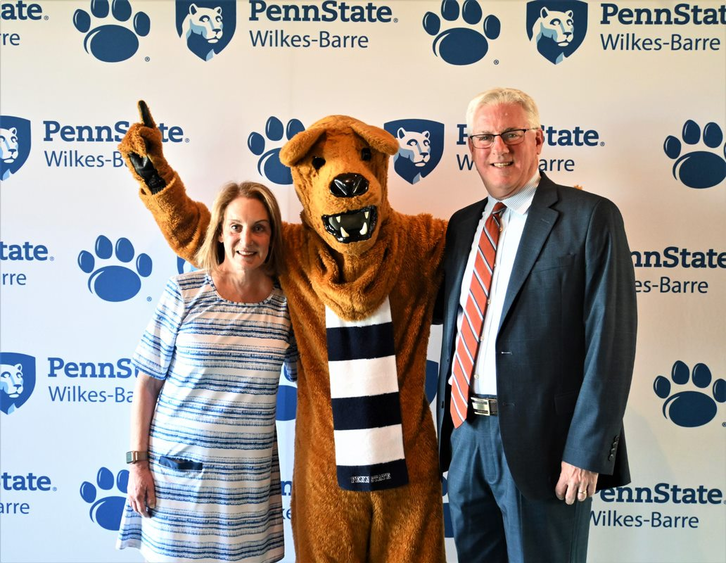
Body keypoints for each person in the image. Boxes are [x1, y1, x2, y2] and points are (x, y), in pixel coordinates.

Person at [436, 87, 637, 563]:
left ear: (539, 139)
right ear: (471, 147)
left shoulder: (590, 218)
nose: (498, 148)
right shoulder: (463, 226)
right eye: (484, 137)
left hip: (548, 447)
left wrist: (587, 450)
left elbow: (611, 342)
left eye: (512, 134)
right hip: (466, 437)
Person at [117, 181, 298, 563]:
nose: (245, 239)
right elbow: (146, 383)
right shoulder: (183, 292)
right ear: (219, 231)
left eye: (259, 227)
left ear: (272, 236)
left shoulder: (286, 307)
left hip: (246, 488)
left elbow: (309, 377)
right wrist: (138, 465)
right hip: (176, 482)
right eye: (235, 226)